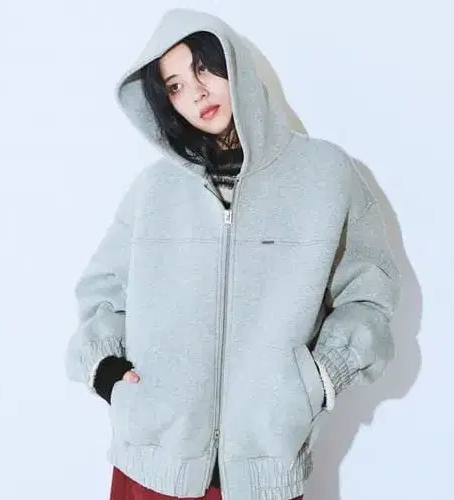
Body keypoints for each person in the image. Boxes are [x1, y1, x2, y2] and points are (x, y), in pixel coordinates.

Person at [64, 7, 402, 500]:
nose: (196, 92)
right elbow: (102, 292)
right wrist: (108, 371)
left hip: (264, 470)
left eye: (203, 68)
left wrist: (320, 376)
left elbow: (369, 294)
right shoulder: (155, 189)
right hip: (152, 464)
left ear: (234, 63)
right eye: (175, 86)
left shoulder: (325, 175)